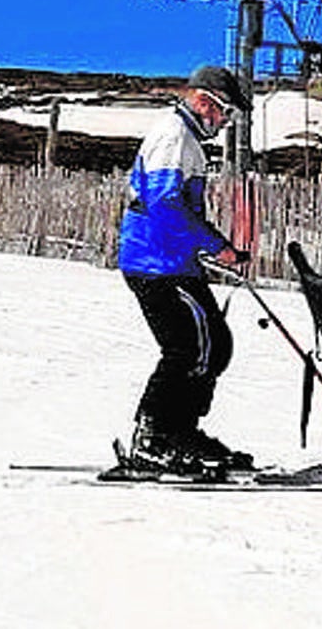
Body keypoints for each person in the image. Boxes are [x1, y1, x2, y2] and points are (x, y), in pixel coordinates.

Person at [118, 65, 255, 473]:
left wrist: (208, 248)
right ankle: (153, 437)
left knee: (214, 345)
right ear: (203, 101)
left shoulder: (188, 139)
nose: (225, 122)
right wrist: (216, 245)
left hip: (175, 261)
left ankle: (180, 431)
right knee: (187, 349)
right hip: (155, 262)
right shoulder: (174, 135)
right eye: (224, 112)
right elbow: (164, 204)